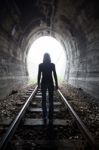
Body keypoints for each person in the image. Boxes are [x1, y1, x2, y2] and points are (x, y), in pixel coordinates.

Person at [37, 53, 58, 124]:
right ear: (49, 57)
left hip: (43, 83)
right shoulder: (52, 65)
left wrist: (38, 84)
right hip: (50, 83)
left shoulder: (41, 65)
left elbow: (39, 75)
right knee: (51, 100)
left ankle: (44, 115)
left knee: (43, 99)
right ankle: (50, 116)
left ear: (43, 57)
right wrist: (56, 84)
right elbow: (55, 74)